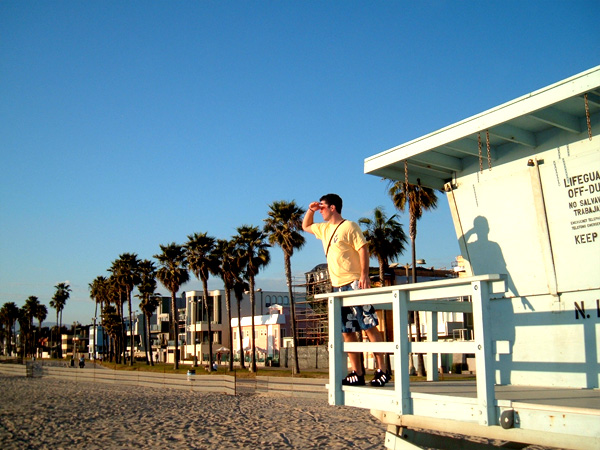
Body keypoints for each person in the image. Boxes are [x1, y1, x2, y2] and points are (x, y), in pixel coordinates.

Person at [302, 193, 390, 387]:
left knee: (368, 325)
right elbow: (305, 226)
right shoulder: (324, 229)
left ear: (333, 207)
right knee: (347, 330)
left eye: (323, 206)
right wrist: (311, 209)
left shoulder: (349, 226)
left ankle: (382, 369)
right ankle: (357, 372)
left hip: (353, 283)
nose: (320, 209)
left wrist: (364, 275)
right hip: (337, 286)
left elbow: (363, 248)